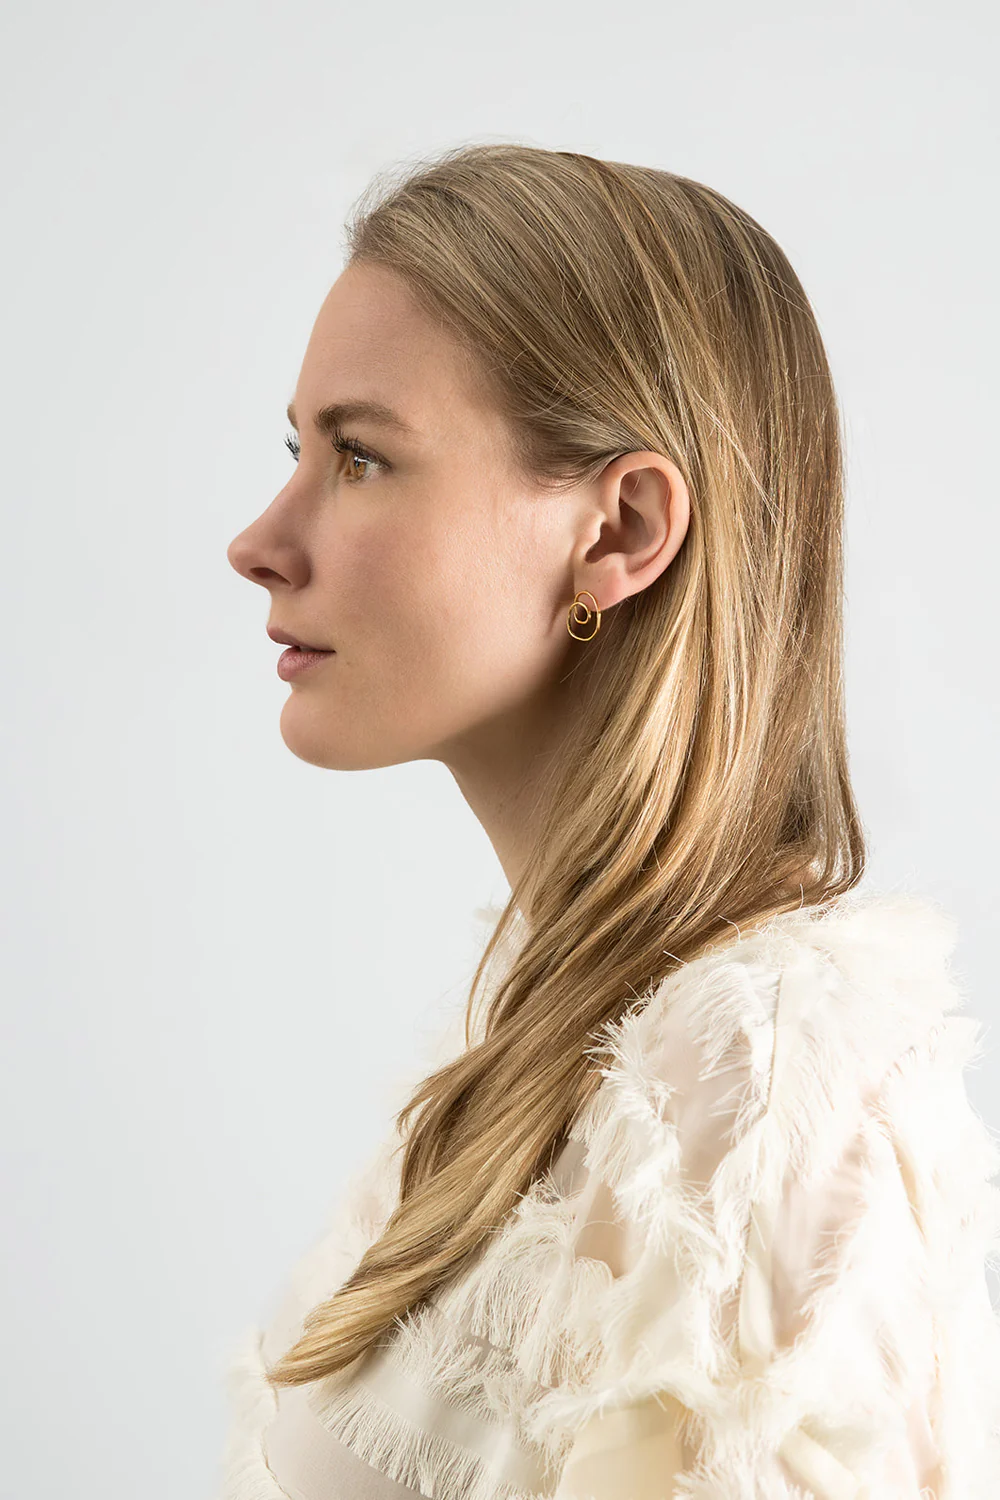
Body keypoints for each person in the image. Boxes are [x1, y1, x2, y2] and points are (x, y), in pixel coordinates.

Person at [221, 142, 1000, 1499]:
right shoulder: (544, 1049)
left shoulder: (760, 1078)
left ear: (622, 529)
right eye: (299, 451)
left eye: (361, 458)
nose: (259, 543)